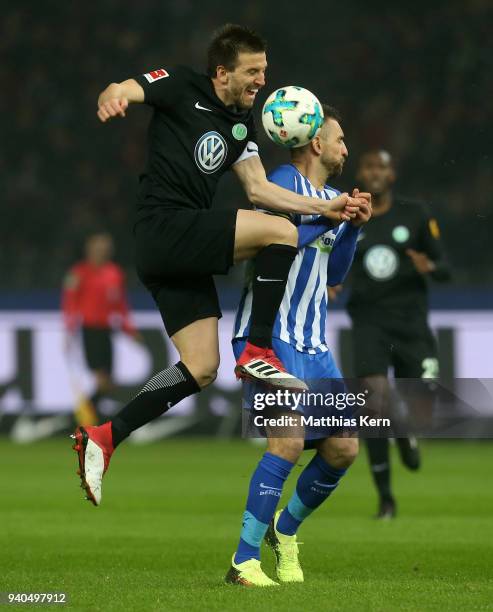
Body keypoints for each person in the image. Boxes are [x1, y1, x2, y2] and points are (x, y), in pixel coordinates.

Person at [71, 24, 366, 506]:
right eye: (252, 72)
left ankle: (105, 436)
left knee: (201, 367)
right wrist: (113, 97)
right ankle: (258, 348)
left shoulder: (243, 125)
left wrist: (328, 209)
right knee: (281, 232)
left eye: (265, 72)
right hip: (165, 226)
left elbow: (259, 190)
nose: (260, 82)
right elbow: (124, 87)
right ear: (222, 71)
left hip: (176, 256)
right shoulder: (180, 84)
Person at [225, 106, 372, 586]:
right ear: (315, 144)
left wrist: (350, 225)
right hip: (268, 338)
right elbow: (276, 241)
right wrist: (330, 217)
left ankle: (283, 530)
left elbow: (334, 274)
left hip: (313, 341)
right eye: (340, 139)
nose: (346, 149)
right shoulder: (279, 183)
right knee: (287, 442)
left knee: (344, 448)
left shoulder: (331, 197)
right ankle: (243, 561)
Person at [331, 149, 450, 519]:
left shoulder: (415, 214)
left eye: (382, 166)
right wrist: (331, 281)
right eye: (369, 166)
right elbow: (333, 258)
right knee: (372, 407)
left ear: (392, 174)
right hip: (369, 324)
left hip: (412, 324)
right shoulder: (349, 217)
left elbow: (446, 268)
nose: (375, 172)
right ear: (361, 174)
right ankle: (385, 499)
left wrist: (428, 265)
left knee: (419, 406)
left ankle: (406, 429)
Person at [62, 232, 139, 424]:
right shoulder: (78, 273)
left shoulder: (114, 273)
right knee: (102, 379)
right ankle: (83, 420)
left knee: (108, 383)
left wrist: (128, 329)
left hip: (106, 330)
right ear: (89, 250)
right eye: (98, 248)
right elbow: (70, 302)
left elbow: (120, 305)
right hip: (90, 330)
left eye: (105, 248)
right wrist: (69, 329)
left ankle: (84, 417)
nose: (101, 252)